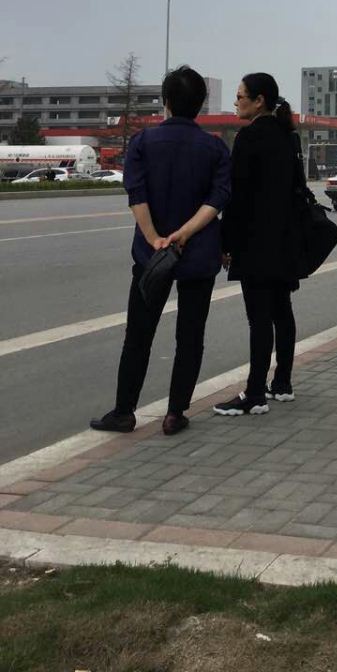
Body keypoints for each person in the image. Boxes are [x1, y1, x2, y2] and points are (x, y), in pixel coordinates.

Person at [90, 66, 231, 437]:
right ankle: (175, 413)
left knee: (139, 334)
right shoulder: (215, 147)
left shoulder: (143, 142)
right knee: (190, 336)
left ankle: (124, 412)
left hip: (150, 257)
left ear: (166, 101)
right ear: (200, 104)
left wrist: (155, 238)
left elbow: (136, 194)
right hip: (198, 254)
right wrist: (184, 233)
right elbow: (218, 199)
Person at [214, 74, 302, 417]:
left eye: (240, 96)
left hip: (255, 240)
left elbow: (237, 197)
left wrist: (226, 242)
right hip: (285, 238)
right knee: (282, 310)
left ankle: (254, 394)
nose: (236, 102)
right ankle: (282, 383)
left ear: (259, 100)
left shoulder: (249, 137)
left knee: (259, 319)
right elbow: (296, 189)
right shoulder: (287, 136)